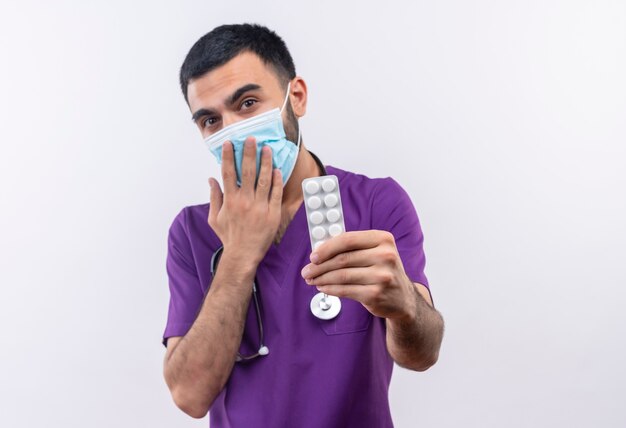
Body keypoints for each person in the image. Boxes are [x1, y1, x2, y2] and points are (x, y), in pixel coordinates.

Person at [162, 23, 445, 427]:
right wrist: (239, 256)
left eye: (246, 104)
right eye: (210, 120)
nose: (232, 132)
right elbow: (190, 396)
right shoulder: (193, 231)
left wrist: (404, 308)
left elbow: (423, 353)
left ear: (296, 97)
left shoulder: (375, 204)